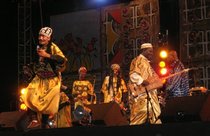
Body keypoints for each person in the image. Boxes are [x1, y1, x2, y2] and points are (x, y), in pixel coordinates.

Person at [20, 26, 67, 129]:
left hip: (51, 80)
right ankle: (34, 120)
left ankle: (44, 124)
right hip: (39, 78)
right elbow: (37, 63)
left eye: (43, 36)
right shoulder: (38, 48)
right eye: (40, 36)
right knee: (28, 95)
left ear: (49, 38)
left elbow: (62, 59)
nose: (40, 38)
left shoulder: (53, 47)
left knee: (47, 103)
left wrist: (47, 55)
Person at [128, 43, 162, 125]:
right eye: (150, 51)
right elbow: (133, 74)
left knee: (155, 114)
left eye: (152, 51)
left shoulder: (147, 63)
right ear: (144, 50)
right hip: (142, 94)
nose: (151, 53)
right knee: (141, 113)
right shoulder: (137, 60)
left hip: (151, 93)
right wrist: (142, 81)